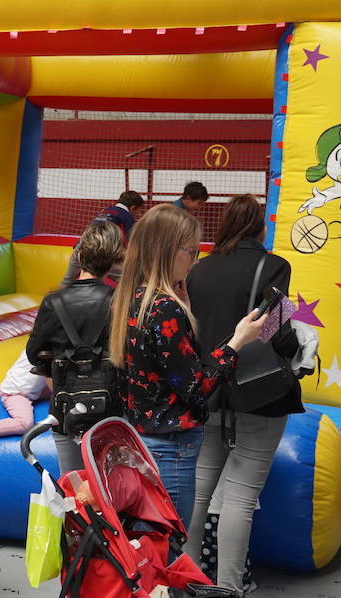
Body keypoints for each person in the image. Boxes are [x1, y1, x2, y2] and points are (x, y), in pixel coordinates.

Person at [108, 203, 265, 530]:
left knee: (150, 542)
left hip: (142, 438)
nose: (195, 261)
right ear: (166, 251)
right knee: (167, 543)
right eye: (191, 252)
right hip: (171, 446)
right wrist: (237, 342)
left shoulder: (134, 299)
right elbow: (196, 387)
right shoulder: (165, 308)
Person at [183, 194, 302, 593]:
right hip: (259, 395)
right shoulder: (274, 266)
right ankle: (229, 587)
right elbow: (279, 331)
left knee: (199, 493)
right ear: (259, 227)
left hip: (210, 390)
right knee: (239, 498)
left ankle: (186, 577)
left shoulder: (198, 270)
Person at [27, 219, 125, 473]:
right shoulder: (120, 302)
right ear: (114, 261)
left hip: (65, 407)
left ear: (79, 256)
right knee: (109, 486)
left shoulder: (54, 301)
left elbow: (33, 353)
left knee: (72, 486)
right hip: (110, 407)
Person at [61, 190, 144, 285]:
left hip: (81, 248)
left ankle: (57, 296)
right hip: (103, 252)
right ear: (133, 208)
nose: (139, 214)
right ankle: (133, 298)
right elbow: (131, 240)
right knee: (127, 279)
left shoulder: (106, 211)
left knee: (67, 280)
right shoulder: (127, 216)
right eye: (139, 211)